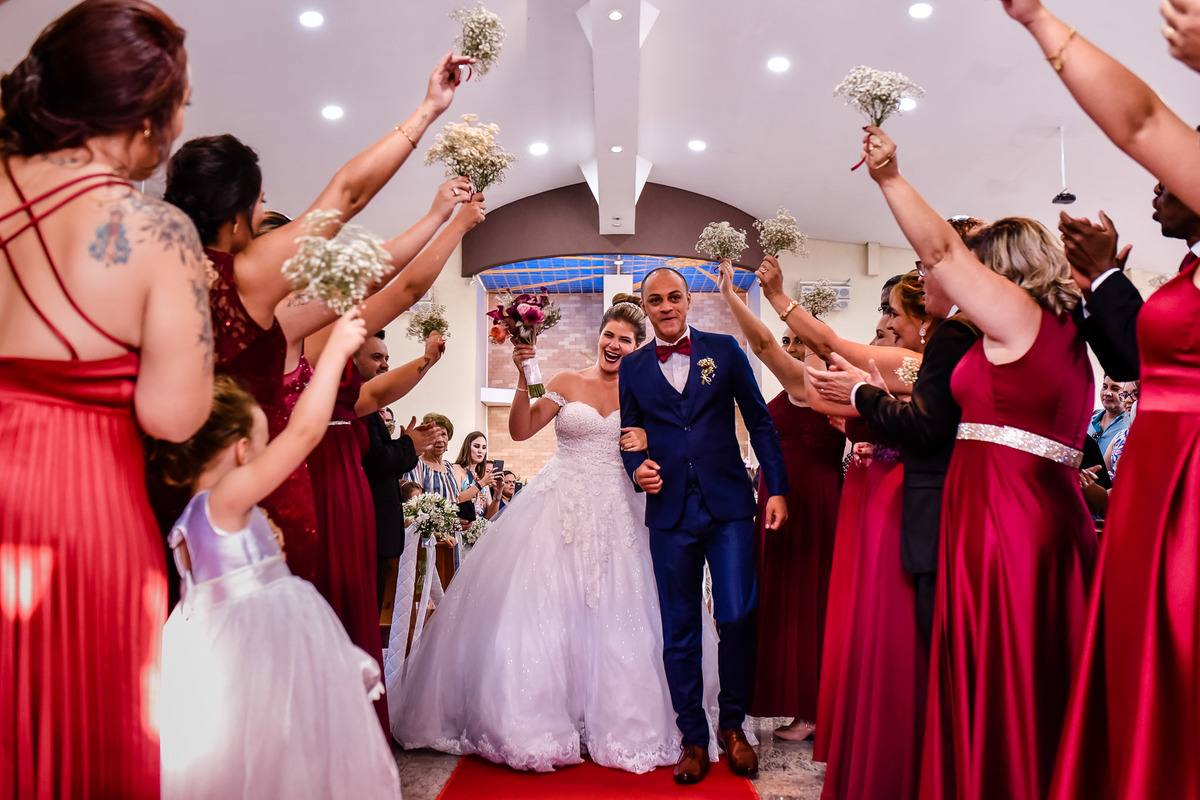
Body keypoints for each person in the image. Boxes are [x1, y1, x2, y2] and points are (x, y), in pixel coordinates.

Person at [160, 51, 473, 592]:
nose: (263, 214)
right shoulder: (245, 282)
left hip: (180, 490)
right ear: (236, 217)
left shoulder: (157, 278)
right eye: (260, 203)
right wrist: (429, 116)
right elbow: (352, 208)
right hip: (261, 489)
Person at [0, 2, 211, 795]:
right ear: (148, 116)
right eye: (182, 102)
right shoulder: (157, 232)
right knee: (84, 718)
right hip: (81, 503)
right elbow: (173, 416)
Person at [389, 299, 726, 773]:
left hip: (621, 508)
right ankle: (540, 717)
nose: (614, 345)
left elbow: (672, 445)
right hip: (557, 505)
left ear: (638, 347)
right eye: (609, 335)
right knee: (546, 609)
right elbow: (521, 430)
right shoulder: (566, 381)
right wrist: (523, 377)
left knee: (624, 609)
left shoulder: (647, 392)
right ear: (599, 336)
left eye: (626, 340)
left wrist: (651, 445)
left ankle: (625, 716)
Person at [861, 126, 1097, 800]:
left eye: (975, 268)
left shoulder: (1018, 317)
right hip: (1037, 514)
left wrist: (889, 178)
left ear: (1002, 272)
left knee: (997, 676)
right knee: (1033, 678)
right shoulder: (1060, 332)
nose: (954, 277)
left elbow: (938, 248)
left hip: (1003, 520)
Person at [152, 311, 400, 799]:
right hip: (257, 639)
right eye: (266, 438)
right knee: (275, 742)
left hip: (205, 641)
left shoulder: (194, 508)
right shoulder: (228, 496)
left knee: (236, 755)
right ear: (242, 448)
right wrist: (334, 354)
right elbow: (306, 432)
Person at [719, 263, 930, 799]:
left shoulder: (915, 368)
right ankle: (851, 716)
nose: (884, 327)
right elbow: (772, 351)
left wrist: (773, 295)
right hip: (853, 491)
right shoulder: (849, 378)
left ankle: (853, 718)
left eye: (891, 317)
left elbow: (809, 345)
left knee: (854, 607)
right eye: (881, 319)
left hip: (878, 496)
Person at [620, 268, 789, 785]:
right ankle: (693, 737)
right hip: (670, 514)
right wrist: (637, 469)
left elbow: (759, 420)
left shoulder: (725, 349)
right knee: (680, 629)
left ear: (689, 300)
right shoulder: (634, 367)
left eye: (674, 296)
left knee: (737, 614)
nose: (666, 306)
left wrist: (776, 488)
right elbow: (630, 433)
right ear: (645, 307)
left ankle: (732, 726)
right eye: (655, 300)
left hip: (729, 506)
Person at [806, 222, 985, 648]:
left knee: (909, 620)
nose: (885, 323)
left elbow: (924, 426)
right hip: (892, 486)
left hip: (911, 490)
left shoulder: (944, 344)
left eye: (892, 313)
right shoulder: (959, 341)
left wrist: (860, 393)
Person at [743, 330, 845, 742]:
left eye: (799, 340)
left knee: (812, 596)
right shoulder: (786, 391)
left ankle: (814, 709)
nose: (790, 347)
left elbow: (762, 346)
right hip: (776, 497)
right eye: (786, 341)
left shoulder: (823, 389)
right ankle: (791, 700)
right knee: (780, 599)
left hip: (815, 500)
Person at [355, 330, 441, 610]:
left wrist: (409, 446)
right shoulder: (356, 405)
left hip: (376, 532)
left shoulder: (367, 405)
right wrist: (408, 445)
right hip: (365, 529)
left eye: (387, 358)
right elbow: (374, 460)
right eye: (376, 357)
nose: (385, 365)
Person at [451, 431, 503, 520]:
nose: (480, 451)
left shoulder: (482, 476)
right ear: (467, 447)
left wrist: (497, 495)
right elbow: (457, 499)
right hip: (462, 524)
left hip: (480, 526)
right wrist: (481, 483)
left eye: (484, 448)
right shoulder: (457, 469)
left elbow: (489, 516)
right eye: (476, 446)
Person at [1089, 375, 1132, 455]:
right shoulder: (1090, 420)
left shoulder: (1130, 426)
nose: (1107, 393)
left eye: (1115, 388)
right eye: (1105, 387)